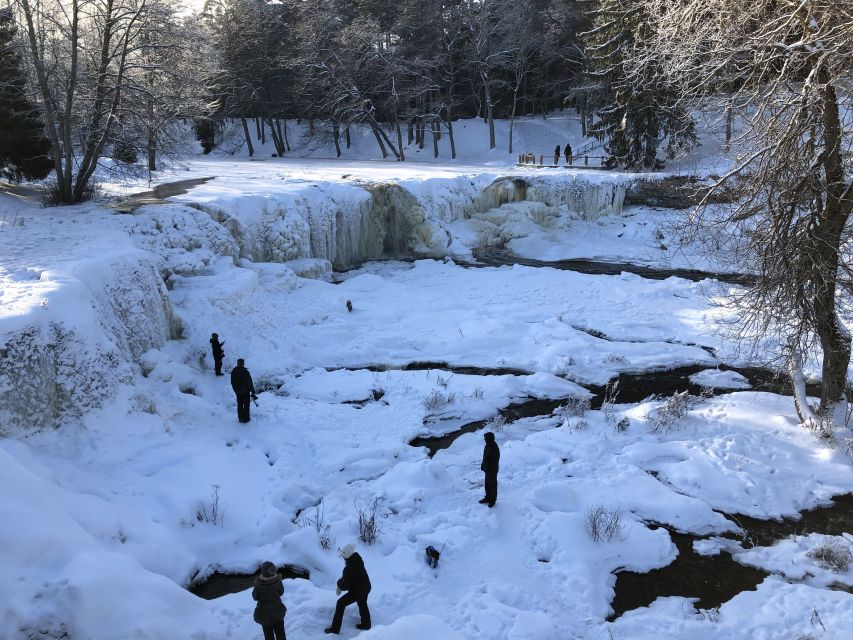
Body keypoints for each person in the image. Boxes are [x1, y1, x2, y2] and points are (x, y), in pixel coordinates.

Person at [325, 543, 371, 634]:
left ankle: (335, 629)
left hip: (358, 590)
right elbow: (352, 576)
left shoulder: (349, 569)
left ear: (346, 557)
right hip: (366, 586)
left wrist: (339, 583)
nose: (342, 558)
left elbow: (344, 586)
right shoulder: (358, 560)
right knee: (362, 603)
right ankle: (366, 624)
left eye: (343, 556)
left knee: (340, 603)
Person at [252, 561, 287, 640]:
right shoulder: (278, 581)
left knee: (268, 635)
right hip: (278, 612)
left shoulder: (259, 585)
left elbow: (255, 597)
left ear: (263, 571)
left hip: (265, 615)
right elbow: (281, 593)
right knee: (280, 633)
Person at [231, 358, 257, 423]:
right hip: (245, 392)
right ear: (243, 363)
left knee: (239, 405)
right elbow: (249, 383)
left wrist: (236, 390)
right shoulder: (245, 372)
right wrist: (253, 392)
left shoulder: (233, 372)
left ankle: (240, 418)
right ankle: (246, 418)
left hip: (238, 392)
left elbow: (232, 382)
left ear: (237, 363)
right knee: (246, 405)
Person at [479, 431, 500, 508]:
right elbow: (485, 457)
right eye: (485, 439)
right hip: (487, 470)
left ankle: (492, 501)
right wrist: (483, 464)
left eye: (486, 439)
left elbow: (495, 463)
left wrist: (490, 472)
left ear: (491, 439)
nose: (485, 440)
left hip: (492, 471)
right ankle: (487, 498)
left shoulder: (494, 448)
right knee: (487, 485)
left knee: (492, 486)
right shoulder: (487, 445)